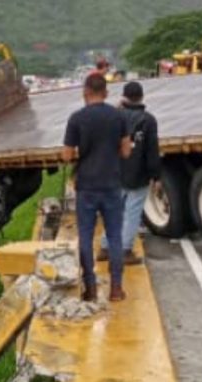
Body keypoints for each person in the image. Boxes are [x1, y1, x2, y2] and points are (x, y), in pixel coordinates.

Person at [62, 73, 132, 302]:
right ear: (106, 92)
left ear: (85, 92)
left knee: (85, 236)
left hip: (87, 186)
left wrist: (77, 156)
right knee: (114, 237)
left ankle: (90, 289)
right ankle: (116, 289)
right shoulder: (118, 116)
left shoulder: (76, 118)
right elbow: (126, 151)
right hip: (112, 184)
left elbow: (67, 155)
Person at [98, 82, 160, 265]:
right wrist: (156, 176)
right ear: (141, 97)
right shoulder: (148, 120)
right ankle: (125, 251)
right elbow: (152, 151)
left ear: (124, 97)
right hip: (137, 174)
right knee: (132, 212)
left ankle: (105, 248)